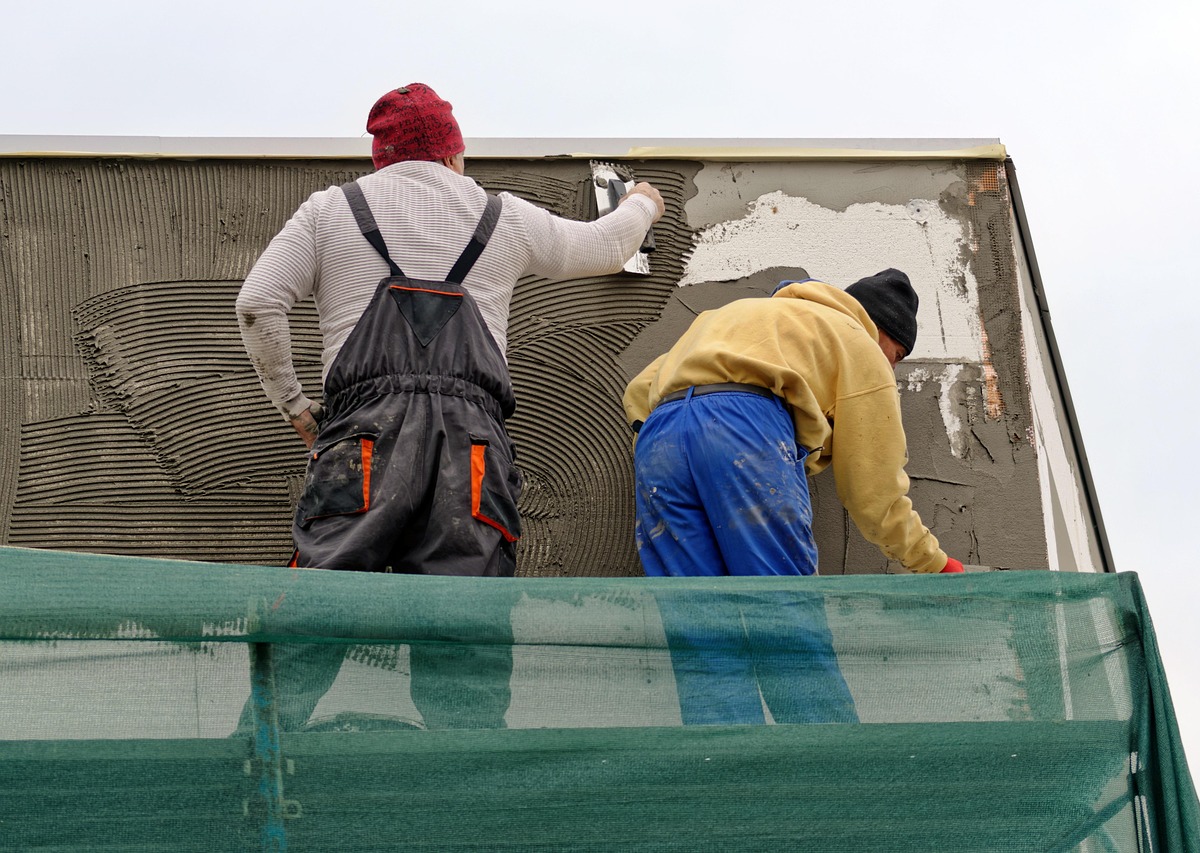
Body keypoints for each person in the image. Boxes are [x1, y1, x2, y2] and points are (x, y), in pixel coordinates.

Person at [234, 82, 664, 730]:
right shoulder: (503, 216)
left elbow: (257, 303)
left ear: (382, 156)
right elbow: (603, 247)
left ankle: (252, 774)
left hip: (363, 442)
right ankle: (463, 803)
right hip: (471, 452)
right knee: (465, 634)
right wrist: (643, 205)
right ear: (454, 153)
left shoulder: (330, 211)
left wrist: (298, 408)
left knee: (312, 617)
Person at [623, 270, 961, 725]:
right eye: (895, 354)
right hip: (745, 428)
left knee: (700, 632)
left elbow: (640, 389)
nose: (892, 368)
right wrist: (933, 563)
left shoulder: (741, 313)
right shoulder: (856, 343)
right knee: (782, 615)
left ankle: (728, 773)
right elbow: (874, 492)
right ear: (878, 331)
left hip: (659, 440)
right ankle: (824, 768)